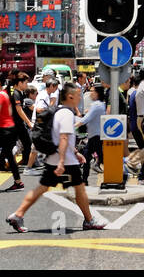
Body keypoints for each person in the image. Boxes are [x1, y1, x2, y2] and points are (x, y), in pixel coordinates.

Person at [6, 82, 107, 232]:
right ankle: (89, 220)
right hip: (65, 162)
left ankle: (18, 214)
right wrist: (62, 162)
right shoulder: (67, 114)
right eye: (78, 95)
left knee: (41, 188)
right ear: (70, 96)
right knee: (80, 190)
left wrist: (75, 152)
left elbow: (62, 138)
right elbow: (64, 137)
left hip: (56, 159)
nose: (80, 98)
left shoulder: (58, 111)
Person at [77, 85, 107, 179]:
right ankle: (84, 179)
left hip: (96, 136)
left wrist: (74, 125)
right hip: (94, 135)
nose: (91, 93)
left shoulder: (97, 105)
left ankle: (123, 170)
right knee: (90, 156)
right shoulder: (100, 104)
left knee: (100, 158)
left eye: (92, 91)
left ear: (97, 93)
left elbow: (86, 119)